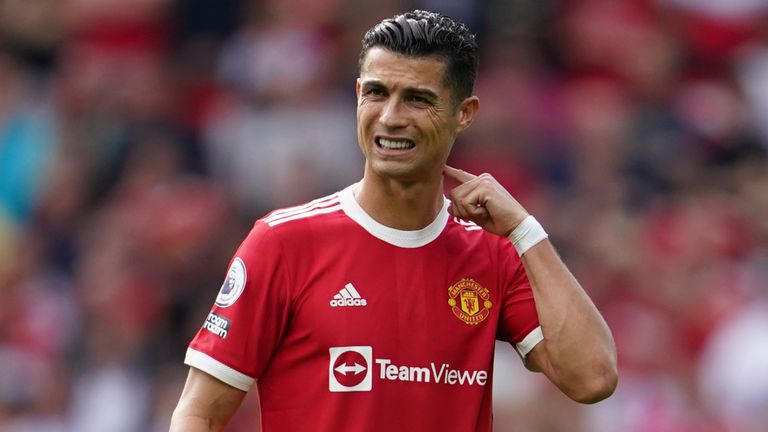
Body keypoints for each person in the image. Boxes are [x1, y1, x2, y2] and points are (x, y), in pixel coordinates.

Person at [170, 9, 617, 431]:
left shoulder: (493, 253)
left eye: (417, 99)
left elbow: (593, 378)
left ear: (465, 114)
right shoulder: (284, 242)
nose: (390, 118)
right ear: (358, 96)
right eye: (377, 93)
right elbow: (200, 413)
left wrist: (524, 230)